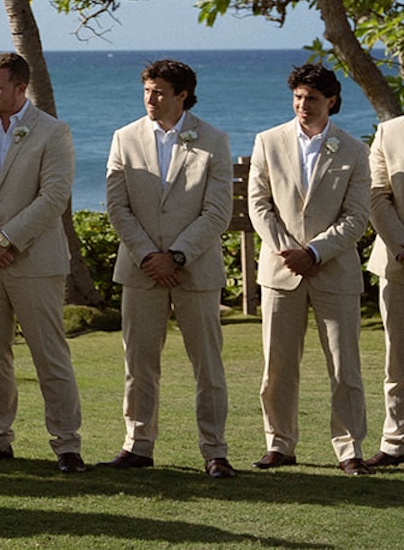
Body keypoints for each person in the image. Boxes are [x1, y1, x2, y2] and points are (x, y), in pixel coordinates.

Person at [0, 51, 86, 473]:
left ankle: (67, 445)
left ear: (21, 88)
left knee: (50, 356)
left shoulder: (53, 132)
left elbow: (54, 195)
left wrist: (7, 239)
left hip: (35, 262)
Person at [100, 59, 234, 477]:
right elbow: (116, 206)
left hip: (195, 270)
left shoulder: (214, 140)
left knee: (207, 365)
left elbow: (217, 212)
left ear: (182, 95)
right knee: (138, 363)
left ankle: (214, 450)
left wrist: (176, 255)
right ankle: (137, 445)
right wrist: (147, 256)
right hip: (141, 269)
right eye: (146, 90)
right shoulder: (125, 137)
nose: (150, 99)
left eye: (159, 92)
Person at [249, 63, 373, 474]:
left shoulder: (355, 150)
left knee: (344, 364)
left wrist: (316, 253)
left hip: (333, 271)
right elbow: (259, 205)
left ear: (331, 102)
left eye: (312, 99)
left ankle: (349, 447)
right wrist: (289, 252)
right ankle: (279, 443)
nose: (303, 105)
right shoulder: (268, 141)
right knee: (278, 363)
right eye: (298, 98)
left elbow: (357, 217)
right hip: (281, 270)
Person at [371, 110, 404, 467]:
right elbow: (377, 196)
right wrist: (401, 244)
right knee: (398, 360)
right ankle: (396, 442)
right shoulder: (389, 132)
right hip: (399, 263)